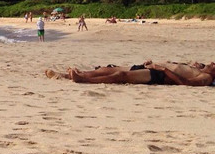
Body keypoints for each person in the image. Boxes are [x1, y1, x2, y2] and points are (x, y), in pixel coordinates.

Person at [46, 61, 215, 86]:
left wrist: (163, 70)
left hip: (158, 75)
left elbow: (186, 83)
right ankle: (66, 75)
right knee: (110, 69)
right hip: (153, 67)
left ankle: (82, 79)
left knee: (121, 76)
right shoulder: (199, 67)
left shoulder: (206, 77)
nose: (213, 62)